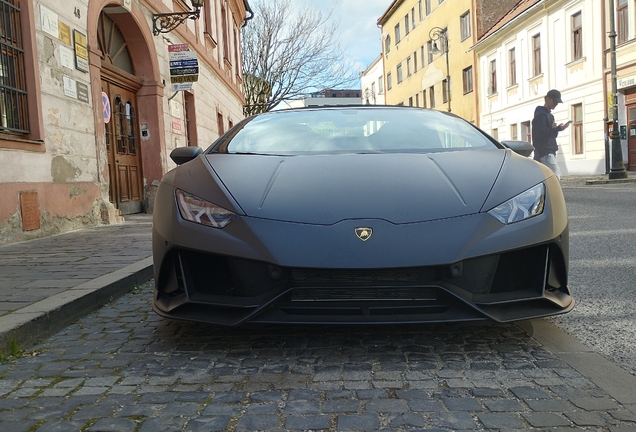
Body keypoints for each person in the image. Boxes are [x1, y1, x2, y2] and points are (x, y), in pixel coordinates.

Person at [531, 89, 570, 180]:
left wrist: (555, 130)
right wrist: (557, 129)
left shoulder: (550, 116)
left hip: (549, 150)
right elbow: (540, 134)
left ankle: (547, 194)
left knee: (546, 179)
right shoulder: (541, 115)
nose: (556, 104)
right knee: (555, 178)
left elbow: (550, 135)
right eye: (555, 101)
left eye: (557, 102)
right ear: (547, 99)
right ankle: (554, 194)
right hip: (545, 151)